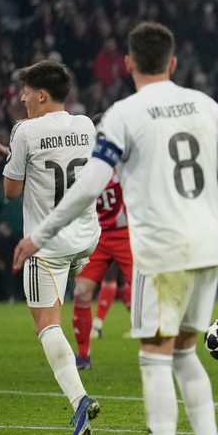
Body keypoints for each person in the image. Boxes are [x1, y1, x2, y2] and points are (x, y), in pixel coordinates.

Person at [13, 22, 218, 435]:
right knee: (184, 354)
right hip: (207, 243)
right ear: (174, 63)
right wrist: (205, 215)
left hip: (161, 248)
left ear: (127, 64)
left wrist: (39, 233)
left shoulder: (124, 112)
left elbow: (88, 185)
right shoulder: (207, 104)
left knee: (154, 360)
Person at [0, 60, 102, 435]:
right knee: (78, 296)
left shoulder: (24, 131)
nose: (22, 98)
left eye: (27, 91)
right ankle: (90, 333)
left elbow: (12, 192)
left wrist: (16, 154)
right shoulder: (85, 125)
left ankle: (79, 401)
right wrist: (16, 154)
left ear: (42, 95)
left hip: (48, 246)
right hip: (87, 238)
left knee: (46, 324)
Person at [71, 111, 134, 369]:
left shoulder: (125, 160)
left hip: (127, 234)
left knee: (148, 293)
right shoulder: (82, 162)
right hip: (96, 235)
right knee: (81, 292)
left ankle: (167, 354)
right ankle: (84, 357)